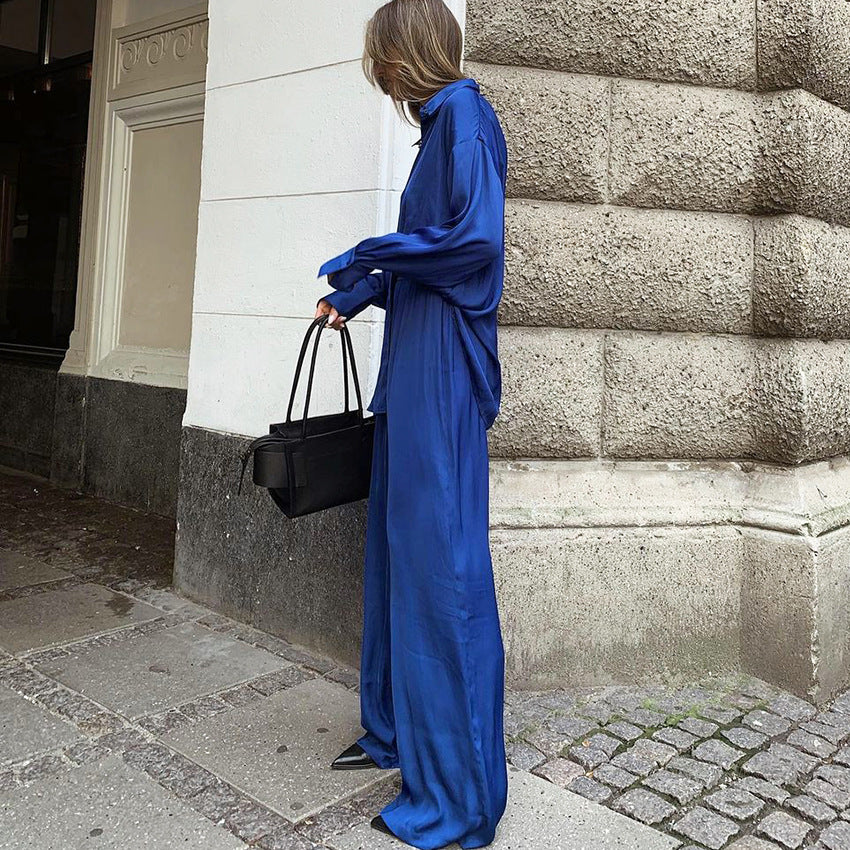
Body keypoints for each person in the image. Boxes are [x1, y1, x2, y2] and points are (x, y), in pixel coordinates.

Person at [313, 1, 508, 847]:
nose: (383, 79)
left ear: (408, 54)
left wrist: (374, 251)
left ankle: (459, 797)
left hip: (439, 381)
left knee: (442, 574)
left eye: (384, 61)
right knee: (400, 564)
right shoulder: (440, 128)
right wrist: (354, 294)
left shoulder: (466, 114)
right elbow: (428, 258)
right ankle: (396, 731)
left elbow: (474, 243)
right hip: (411, 375)